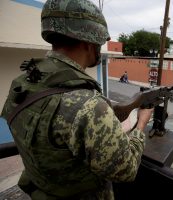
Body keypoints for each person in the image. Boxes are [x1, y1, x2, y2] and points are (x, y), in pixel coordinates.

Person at [1, 0, 153, 199]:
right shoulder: (89, 106)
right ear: (89, 42)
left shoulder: (24, 82)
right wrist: (141, 123)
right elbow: (127, 170)